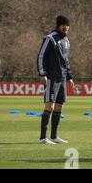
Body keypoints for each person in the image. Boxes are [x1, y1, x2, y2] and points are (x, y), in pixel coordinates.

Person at [37, 15, 74, 145]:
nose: (66, 27)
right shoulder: (50, 38)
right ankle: (42, 138)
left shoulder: (66, 40)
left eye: (67, 25)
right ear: (58, 25)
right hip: (52, 78)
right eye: (64, 25)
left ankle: (53, 136)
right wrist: (42, 74)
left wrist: (69, 76)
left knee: (59, 106)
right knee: (50, 106)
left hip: (62, 78)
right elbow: (41, 56)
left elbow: (66, 60)